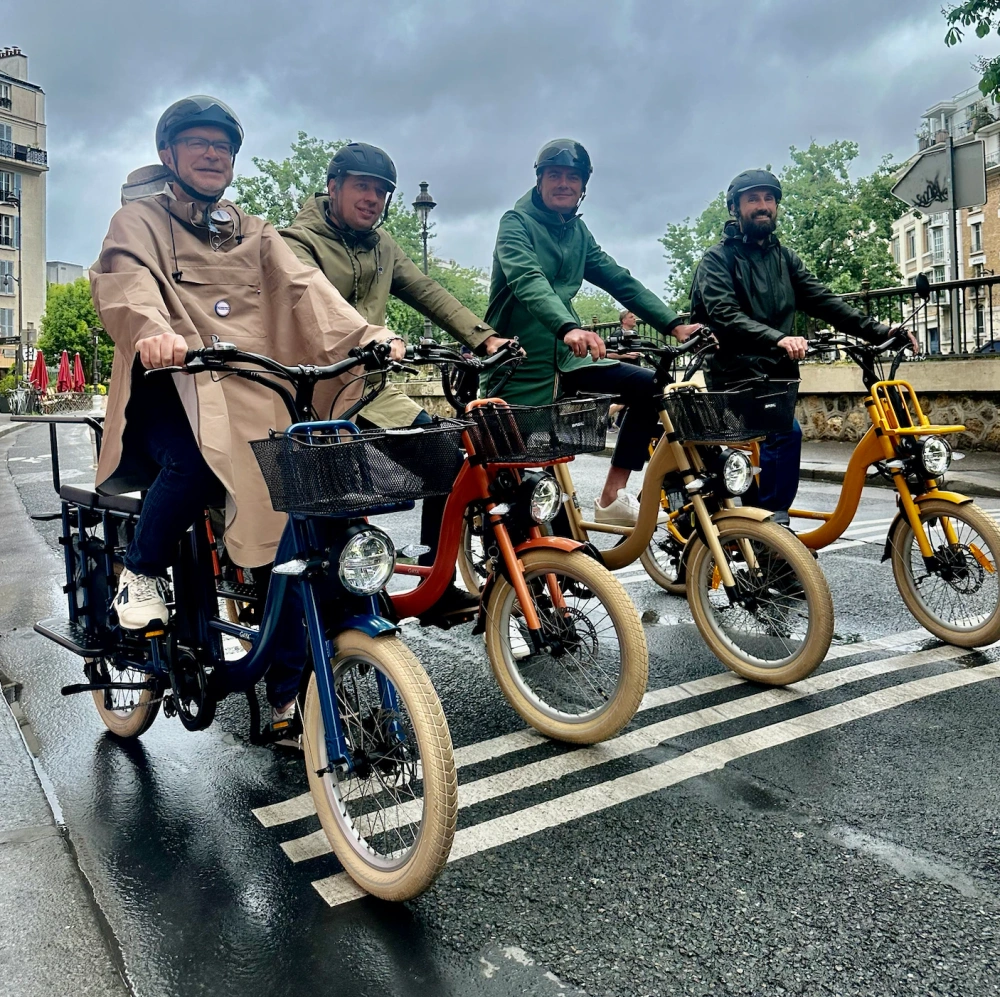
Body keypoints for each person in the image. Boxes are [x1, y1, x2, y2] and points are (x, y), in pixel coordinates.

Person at [90, 96, 403, 731]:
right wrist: (153, 332)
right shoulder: (138, 223)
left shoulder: (253, 231)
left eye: (224, 146)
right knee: (197, 467)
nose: (213, 155)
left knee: (306, 510)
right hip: (171, 390)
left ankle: (291, 682)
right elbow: (124, 285)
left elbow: (305, 289)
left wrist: (363, 335)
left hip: (253, 393)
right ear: (168, 154)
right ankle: (140, 572)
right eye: (199, 143)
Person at [280, 142, 513, 620]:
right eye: (362, 186)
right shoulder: (296, 242)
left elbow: (428, 292)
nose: (372, 198)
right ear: (333, 187)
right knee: (331, 504)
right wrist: (371, 335)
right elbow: (315, 300)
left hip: (372, 385)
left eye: (382, 191)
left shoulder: (383, 246)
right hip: (317, 389)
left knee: (448, 458)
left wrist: (484, 338)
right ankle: (323, 607)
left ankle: (436, 577)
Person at [484, 139, 701, 526]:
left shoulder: (578, 233)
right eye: (555, 175)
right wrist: (567, 325)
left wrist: (674, 323)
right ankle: (510, 571)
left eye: (573, 177)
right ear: (539, 181)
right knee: (528, 495)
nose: (564, 183)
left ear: (583, 186)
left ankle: (612, 496)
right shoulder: (515, 224)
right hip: (521, 365)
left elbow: (620, 280)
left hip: (569, 360)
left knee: (653, 388)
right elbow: (527, 280)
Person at [689, 169, 918, 523]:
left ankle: (762, 521)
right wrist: (778, 338)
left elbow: (825, 302)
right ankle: (771, 531)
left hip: (776, 377)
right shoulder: (717, 260)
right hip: (735, 374)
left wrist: (882, 331)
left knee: (778, 439)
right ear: (735, 208)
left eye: (769, 199)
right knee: (784, 433)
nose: (762, 206)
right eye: (753, 200)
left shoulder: (785, 259)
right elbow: (724, 315)